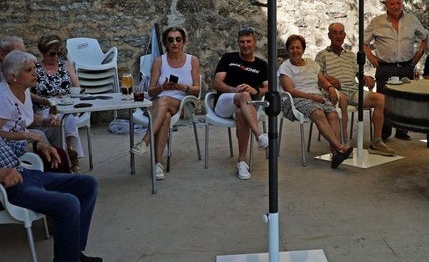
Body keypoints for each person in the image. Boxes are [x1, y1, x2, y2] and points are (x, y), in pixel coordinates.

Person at [0, 50, 102, 262]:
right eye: (29, 70)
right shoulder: (4, 97)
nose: (34, 73)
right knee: (67, 203)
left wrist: (38, 144)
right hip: (9, 186)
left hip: (24, 171)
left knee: (87, 184)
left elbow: (12, 135)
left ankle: (74, 254)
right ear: (13, 77)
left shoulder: (18, 96)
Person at [315, 22, 396, 156]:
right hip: (334, 92)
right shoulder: (322, 55)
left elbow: (359, 74)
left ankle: (376, 141)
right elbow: (317, 77)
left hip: (353, 91)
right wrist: (329, 79)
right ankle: (343, 143)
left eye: (341, 33)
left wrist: (367, 78)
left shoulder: (351, 55)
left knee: (381, 99)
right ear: (329, 35)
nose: (338, 36)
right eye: (334, 33)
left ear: (345, 35)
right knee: (342, 99)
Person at [130, 27, 200, 181]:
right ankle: (158, 165)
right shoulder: (159, 61)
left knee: (164, 100)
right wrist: (163, 87)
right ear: (165, 43)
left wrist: (182, 87)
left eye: (178, 39)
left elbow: (197, 90)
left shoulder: (192, 60)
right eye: (170, 40)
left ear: (183, 41)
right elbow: (151, 91)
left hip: (183, 103)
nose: (174, 43)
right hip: (160, 105)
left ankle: (145, 142)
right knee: (165, 114)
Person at [279, 34, 353, 169]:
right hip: (296, 100)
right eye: (292, 48)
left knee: (333, 114)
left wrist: (330, 87)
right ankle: (340, 148)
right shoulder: (285, 67)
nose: (295, 51)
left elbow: (322, 81)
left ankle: (335, 153)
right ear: (288, 50)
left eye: (298, 47)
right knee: (318, 113)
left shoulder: (312, 64)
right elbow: (290, 90)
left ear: (303, 49)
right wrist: (312, 97)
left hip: (317, 97)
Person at [364, 0, 428, 141]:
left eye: (398, 3)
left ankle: (402, 131)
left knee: (405, 100)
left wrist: (418, 54)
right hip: (385, 67)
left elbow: (424, 37)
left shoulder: (412, 20)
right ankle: (384, 133)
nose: (395, 6)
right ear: (386, 5)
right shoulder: (377, 22)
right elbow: (364, 42)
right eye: (392, 3)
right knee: (384, 100)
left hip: (406, 66)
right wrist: (371, 57)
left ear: (402, 4)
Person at [211, 27, 269, 181]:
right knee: (243, 95)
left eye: (248, 41)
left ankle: (242, 162)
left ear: (254, 42)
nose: (245, 45)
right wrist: (233, 91)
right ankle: (259, 135)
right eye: (242, 42)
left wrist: (255, 90)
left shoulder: (261, 65)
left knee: (241, 113)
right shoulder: (228, 58)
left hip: (246, 104)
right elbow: (216, 83)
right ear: (238, 43)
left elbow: (267, 88)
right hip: (225, 101)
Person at [32, 35, 88, 173]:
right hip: (45, 109)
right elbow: (27, 93)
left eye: (59, 53)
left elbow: (77, 87)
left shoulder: (66, 66)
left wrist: (76, 95)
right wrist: (47, 100)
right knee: (67, 118)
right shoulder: (34, 68)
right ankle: (72, 154)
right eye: (52, 54)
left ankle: (69, 149)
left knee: (67, 117)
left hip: (67, 105)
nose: (56, 57)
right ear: (43, 52)